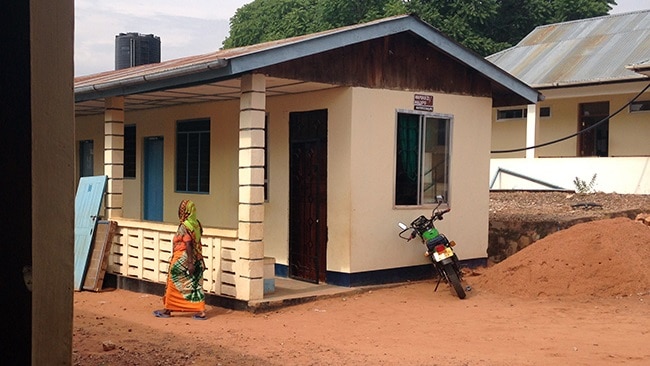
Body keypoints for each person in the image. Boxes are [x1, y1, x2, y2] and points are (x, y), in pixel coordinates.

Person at [153, 199, 207, 320]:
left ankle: (168, 309)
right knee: (194, 283)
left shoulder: (184, 226)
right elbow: (198, 242)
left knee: (173, 281)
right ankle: (200, 310)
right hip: (196, 257)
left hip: (183, 258)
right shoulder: (197, 224)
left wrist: (189, 263)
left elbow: (188, 244)